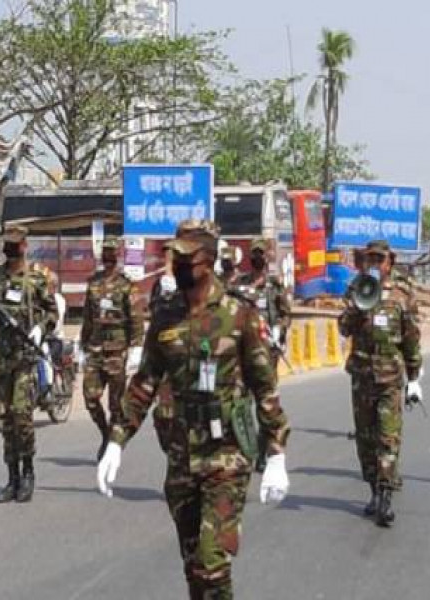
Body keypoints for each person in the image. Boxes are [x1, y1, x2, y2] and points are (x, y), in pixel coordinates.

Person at [96, 219, 290, 600]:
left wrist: (277, 452)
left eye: (188, 259)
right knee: (194, 567)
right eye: (176, 258)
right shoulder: (166, 316)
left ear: (210, 261)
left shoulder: (239, 314)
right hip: (182, 455)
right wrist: (117, 440)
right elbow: (145, 383)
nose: (179, 266)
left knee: (211, 561)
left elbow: (264, 387)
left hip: (227, 456)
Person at [338, 239, 422, 527]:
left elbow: (411, 338)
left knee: (388, 437)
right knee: (365, 439)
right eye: (369, 259)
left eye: (379, 259)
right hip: (362, 377)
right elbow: (343, 327)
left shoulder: (402, 294)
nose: (374, 264)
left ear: (390, 262)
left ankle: (386, 496)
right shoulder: (355, 289)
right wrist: (358, 306)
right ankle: (373, 489)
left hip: (389, 379)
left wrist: (414, 378)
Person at [0, 223, 57, 504]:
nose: (9, 250)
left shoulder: (37, 278)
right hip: (2, 356)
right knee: (7, 419)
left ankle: (28, 472)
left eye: (14, 245)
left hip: (25, 356)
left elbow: (52, 312)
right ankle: (11, 477)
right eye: (6, 245)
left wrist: (41, 328)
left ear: (24, 245)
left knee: (22, 415)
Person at [80, 236, 144, 460]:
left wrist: (136, 348)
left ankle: (112, 444)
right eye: (105, 252)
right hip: (96, 348)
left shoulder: (127, 285)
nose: (108, 257)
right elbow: (88, 317)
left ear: (117, 256)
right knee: (90, 397)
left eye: (111, 253)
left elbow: (136, 319)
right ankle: (105, 433)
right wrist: (82, 345)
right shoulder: (94, 283)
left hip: (118, 350)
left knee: (116, 404)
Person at [234, 237, 292, 471]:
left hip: (267, 350)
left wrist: (280, 330)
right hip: (245, 350)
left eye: (261, 254)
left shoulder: (275, 286)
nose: (258, 258)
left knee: (265, 403)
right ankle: (247, 448)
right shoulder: (241, 283)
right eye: (254, 254)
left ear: (267, 257)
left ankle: (263, 449)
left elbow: (286, 313)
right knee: (242, 401)